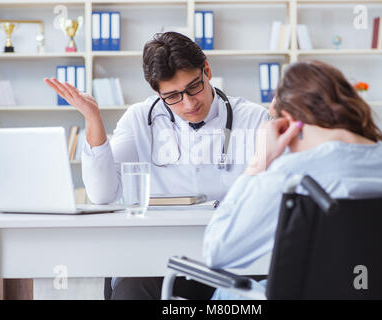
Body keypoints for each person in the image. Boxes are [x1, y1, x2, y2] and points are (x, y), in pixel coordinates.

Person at [44, 32, 269, 300]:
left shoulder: (254, 119)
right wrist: (93, 120)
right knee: (131, 290)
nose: (189, 103)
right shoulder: (140, 118)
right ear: (156, 92)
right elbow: (102, 195)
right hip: (158, 257)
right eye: (172, 96)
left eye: (194, 86)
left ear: (206, 70)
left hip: (230, 258)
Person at [202, 60, 382, 299]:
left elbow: (217, 252)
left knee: (226, 292)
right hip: (378, 291)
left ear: (289, 121)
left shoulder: (293, 177)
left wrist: (259, 161)